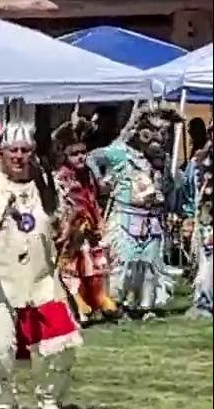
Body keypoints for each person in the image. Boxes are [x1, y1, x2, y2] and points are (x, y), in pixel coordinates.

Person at [0, 118, 82, 409]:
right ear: (0, 152)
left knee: (61, 345)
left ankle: (49, 399)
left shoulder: (47, 187)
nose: (19, 156)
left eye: (25, 150)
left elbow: (64, 222)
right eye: (13, 150)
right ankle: (5, 408)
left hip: (41, 280)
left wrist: (68, 230)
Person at [88, 104, 183, 321]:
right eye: (155, 135)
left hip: (152, 220)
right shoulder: (121, 153)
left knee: (150, 263)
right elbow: (92, 157)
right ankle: (117, 304)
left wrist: (168, 191)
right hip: (125, 217)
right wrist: (100, 182)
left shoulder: (162, 160)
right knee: (125, 263)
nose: (160, 141)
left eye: (164, 136)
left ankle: (145, 305)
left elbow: (169, 187)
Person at [52, 112, 117, 323]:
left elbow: (94, 198)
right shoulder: (61, 177)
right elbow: (61, 206)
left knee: (94, 265)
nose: (80, 157)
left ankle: (97, 300)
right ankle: (77, 305)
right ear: (65, 156)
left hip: (90, 228)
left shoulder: (88, 173)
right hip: (71, 231)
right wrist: (70, 226)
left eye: (83, 152)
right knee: (72, 267)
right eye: (75, 154)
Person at [183, 149, 212, 318]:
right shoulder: (199, 162)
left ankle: (205, 302)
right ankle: (204, 302)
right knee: (206, 262)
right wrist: (188, 215)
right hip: (206, 221)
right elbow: (189, 191)